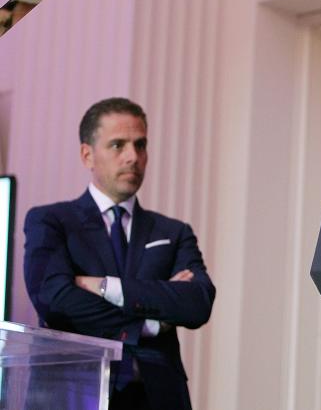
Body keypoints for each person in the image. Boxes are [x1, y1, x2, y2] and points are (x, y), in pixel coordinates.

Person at [24, 97, 215, 410]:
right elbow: (54, 300)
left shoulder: (173, 232)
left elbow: (197, 303)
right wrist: (150, 323)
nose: (133, 157)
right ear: (87, 155)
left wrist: (104, 286)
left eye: (140, 145)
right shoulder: (51, 221)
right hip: (72, 394)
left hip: (156, 397)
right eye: (118, 145)